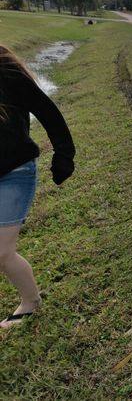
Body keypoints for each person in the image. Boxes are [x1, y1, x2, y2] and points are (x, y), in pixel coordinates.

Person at [0, 44, 75, 328]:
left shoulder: (6, 70)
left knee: (2, 252)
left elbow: (48, 113)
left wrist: (64, 155)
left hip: (14, 173)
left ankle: (30, 302)